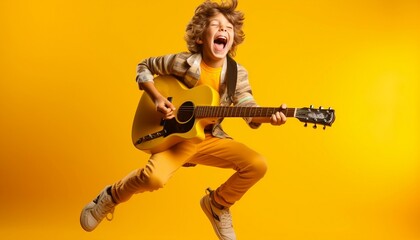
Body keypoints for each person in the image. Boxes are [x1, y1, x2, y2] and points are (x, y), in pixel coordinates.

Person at [80, 0, 287, 239]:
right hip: (177, 137)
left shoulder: (236, 73)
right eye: (216, 25)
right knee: (153, 178)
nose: (223, 30)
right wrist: (157, 98)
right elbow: (144, 66)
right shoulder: (182, 62)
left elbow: (245, 104)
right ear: (200, 36)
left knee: (257, 164)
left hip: (209, 138)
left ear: (233, 39)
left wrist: (269, 117)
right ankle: (111, 196)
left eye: (229, 28)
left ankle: (217, 205)